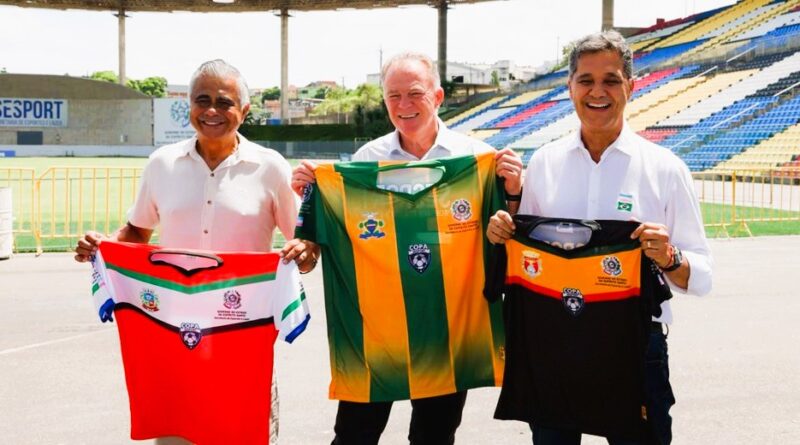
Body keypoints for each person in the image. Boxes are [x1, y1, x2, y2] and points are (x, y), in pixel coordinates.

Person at [282, 52, 523, 445]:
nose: (403, 104)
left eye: (414, 93)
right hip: (378, 330)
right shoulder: (366, 160)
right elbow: (336, 237)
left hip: (447, 330)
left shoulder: (478, 158)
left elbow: (505, 241)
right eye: (393, 96)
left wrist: (512, 194)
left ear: (438, 96)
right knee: (353, 437)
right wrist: (314, 194)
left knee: (433, 438)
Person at [486, 31, 713, 445]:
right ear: (569, 86)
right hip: (553, 341)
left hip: (634, 345)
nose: (597, 92)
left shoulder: (665, 169)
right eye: (586, 80)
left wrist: (669, 256)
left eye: (610, 80)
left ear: (631, 86)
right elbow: (525, 257)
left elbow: (702, 276)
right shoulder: (545, 163)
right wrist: (504, 228)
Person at [74, 59, 314, 445]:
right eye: (202, 100)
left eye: (224, 102)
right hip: (171, 335)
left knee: (244, 432)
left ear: (244, 110)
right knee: (176, 434)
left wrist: (305, 250)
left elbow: (303, 247)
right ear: (189, 106)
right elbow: (137, 231)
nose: (212, 110)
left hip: (241, 334)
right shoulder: (162, 164)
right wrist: (104, 246)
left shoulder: (270, 168)